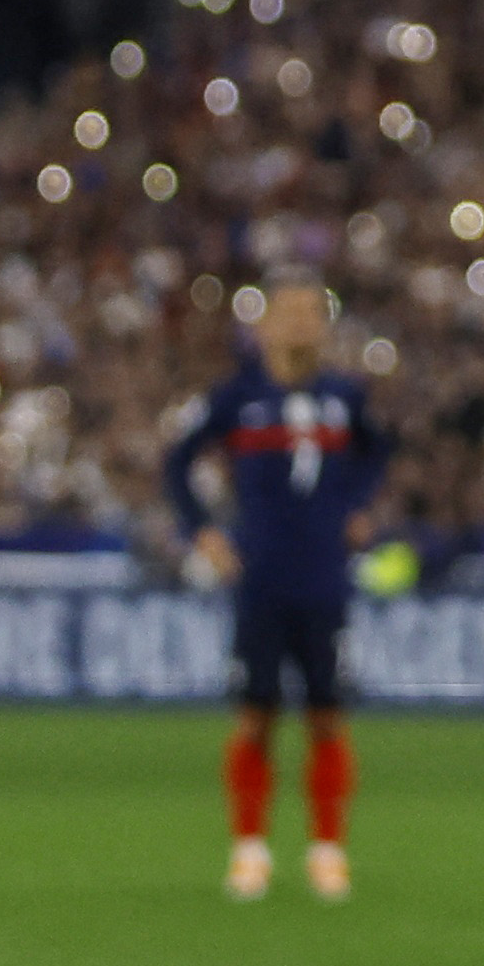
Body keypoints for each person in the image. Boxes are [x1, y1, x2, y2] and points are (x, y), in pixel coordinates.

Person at [167, 280, 389, 902]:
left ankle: (327, 849)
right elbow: (176, 463)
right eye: (287, 313)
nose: (298, 325)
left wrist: (358, 506)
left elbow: (377, 455)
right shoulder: (237, 398)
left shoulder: (344, 397)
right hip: (261, 576)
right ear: (262, 324)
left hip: (324, 576)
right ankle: (250, 848)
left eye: (310, 314)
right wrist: (203, 532)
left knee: (327, 715)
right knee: (255, 715)